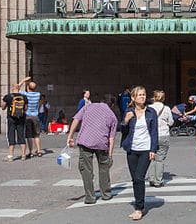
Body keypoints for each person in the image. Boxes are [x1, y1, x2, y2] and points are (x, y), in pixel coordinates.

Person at [67, 96, 118, 204]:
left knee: (86, 169)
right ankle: (106, 194)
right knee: (104, 168)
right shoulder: (112, 116)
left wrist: (70, 136)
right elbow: (111, 138)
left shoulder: (87, 107)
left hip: (86, 141)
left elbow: (76, 120)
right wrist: (110, 155)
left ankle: (90, 197)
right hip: (102, 143)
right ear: (112, 105)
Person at [121, 86, 158, 221]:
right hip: (132, 148)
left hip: (145, 149)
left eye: (144, 94)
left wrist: (153, 149)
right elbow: (123, 130)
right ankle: (139, 203)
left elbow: (154, 132)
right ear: (133, 98)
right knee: (134, 179)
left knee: (139, 177)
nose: (142, 97)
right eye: (139, 95)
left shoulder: (151, 112)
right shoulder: (129, 111)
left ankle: (139, 208)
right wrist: (125, 121)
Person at [145, 89, 174, 188]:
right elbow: (171, 122)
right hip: (163, 134)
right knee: (160, 158)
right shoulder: (166, 108)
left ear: (154, 97)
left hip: (151, 135)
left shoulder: (148, 108)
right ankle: (158, 180)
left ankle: (151, 179)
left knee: (152, 157)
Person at [17, 76, 44, 158]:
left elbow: (17, 88)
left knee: (29, 135)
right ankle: (39, 151)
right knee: (36, 135)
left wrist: (23, 80)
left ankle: (31, 152)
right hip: (36, 116)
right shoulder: (38, 94)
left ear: (28, 88)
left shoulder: (25, 94)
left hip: (27, 116)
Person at [0, 85, 27, 161]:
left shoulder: (8, 96)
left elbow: (3, 107)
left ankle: (10, 156)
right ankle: (23, 155)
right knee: (21, 135)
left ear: (12, 88)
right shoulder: (24, 97)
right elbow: (26, 108)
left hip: (11, 118)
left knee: (11, 135)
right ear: (19, 89)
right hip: (21, 118)